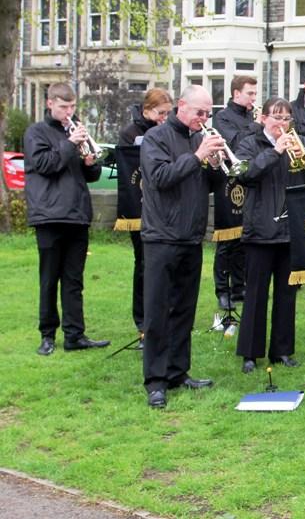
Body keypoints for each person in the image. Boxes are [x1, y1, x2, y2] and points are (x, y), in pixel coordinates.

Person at [234, 98, 305, 374]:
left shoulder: (298, 140)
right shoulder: (249, 143)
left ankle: (282, 351)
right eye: (276, 118)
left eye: (286, 118)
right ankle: (250, 354)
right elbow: (244, 174)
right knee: (255, 294)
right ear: (264, 118)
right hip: (260, 230)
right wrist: (274, 152)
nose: (282, 124)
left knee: (286, 295)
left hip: (290, 230)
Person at [140, 85, 225, 409]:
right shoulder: (157, 138)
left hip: (190, 235)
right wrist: (198, 156)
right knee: (158, 310)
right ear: (181, 107)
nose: (203, 118)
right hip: (161, 236)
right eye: (199, 112)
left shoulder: (198, 139)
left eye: (207, 113)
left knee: (184, 310)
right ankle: (156, 380)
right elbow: (161, 177)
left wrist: (214, 164)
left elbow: (212, 185)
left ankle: (178, 371)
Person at [24, 83, 109, 356]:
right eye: (63, 107)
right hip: (48, 215)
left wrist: (90, 163)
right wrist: (70, 144)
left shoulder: (75, 132)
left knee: (74, 279)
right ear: (50, 104)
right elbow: (45, 165)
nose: (68, 112)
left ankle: (75, 334)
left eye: (72, 107)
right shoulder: (36, 132)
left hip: (76, 215)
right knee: (49, 278)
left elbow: (91, 176)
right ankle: (47, 335)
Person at [118, 88, 173, 343]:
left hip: (166, 209)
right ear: (147, 110)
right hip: (139, 208)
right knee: (143, 266)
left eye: (167, 113)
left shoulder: (171, 130)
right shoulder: (130, 134)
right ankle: (142, 321)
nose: (164, 117)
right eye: (160, 113)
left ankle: (166, 315)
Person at [211, 75, 260, 312]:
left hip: (248, 179)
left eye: (254, 93)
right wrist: (258, 125)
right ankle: (223, 290)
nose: (253, 98)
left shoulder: (251, 117)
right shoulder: (222, 117)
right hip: (228, 182)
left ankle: (240, 286)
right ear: (236, 93)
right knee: (226, 239)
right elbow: (236, 142)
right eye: (250, 93)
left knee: (244, 239)